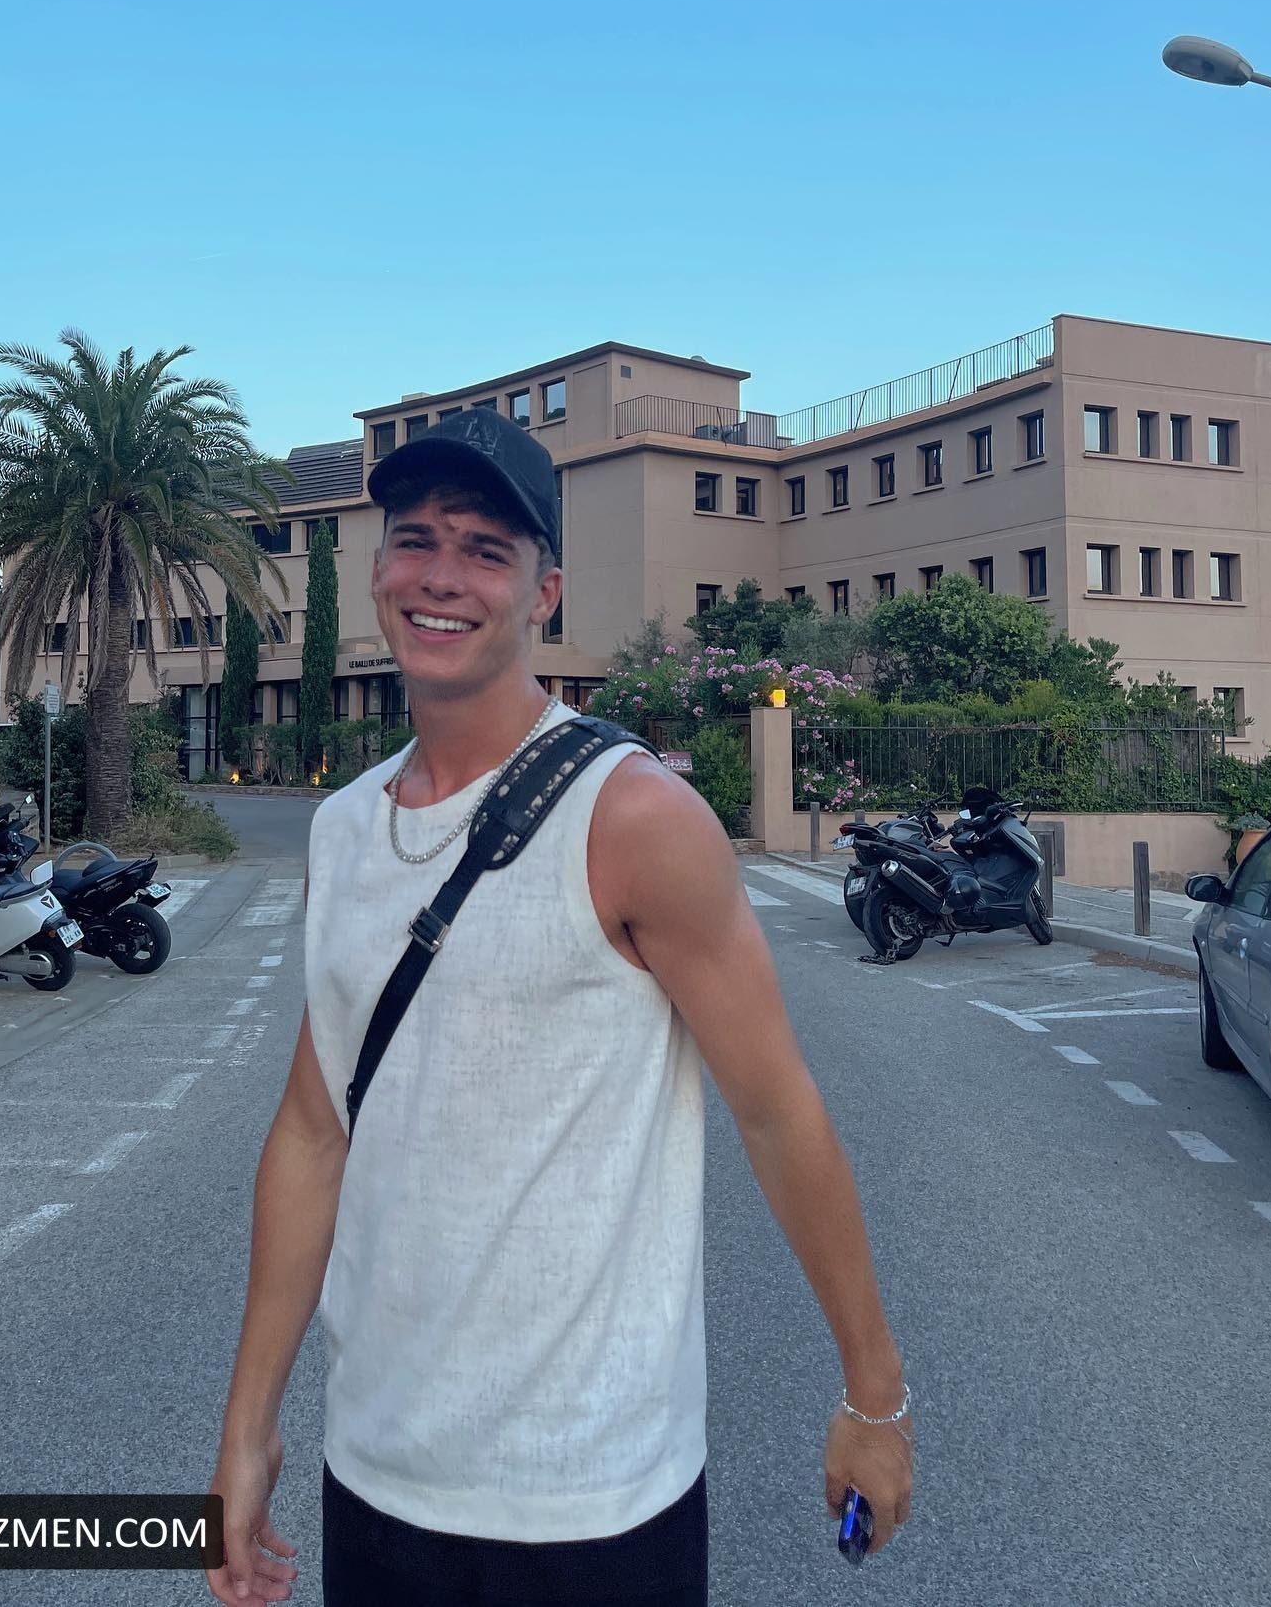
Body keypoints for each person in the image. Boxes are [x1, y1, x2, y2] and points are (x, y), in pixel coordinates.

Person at [205, 407, 913, 1607]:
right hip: (374, 1474)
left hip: (594, 1498)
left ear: (545, 592)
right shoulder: (342, 830)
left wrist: (873, 1395)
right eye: (417, 539)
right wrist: (248, 1429)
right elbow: (315, 1135)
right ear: (378, 572)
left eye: (486, 549)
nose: (442, 576)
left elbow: (778, 1111)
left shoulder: (634, 817)